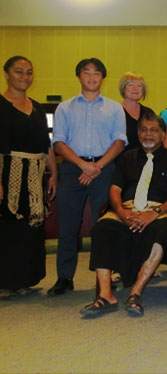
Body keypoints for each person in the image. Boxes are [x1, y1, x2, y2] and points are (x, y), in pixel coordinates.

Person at [80, 113, 167, 317]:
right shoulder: (127, 158)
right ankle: (105, 295)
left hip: (160, 211)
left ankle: (136, 293)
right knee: (102, 228)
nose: (148, 134)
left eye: (154, 130)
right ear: (138, 133)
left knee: (159, 232)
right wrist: (120, 211)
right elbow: (115, 189)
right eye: (144, 129)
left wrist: (154, 213)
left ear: (163, 134)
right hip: (126, 209)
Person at [49, 57, 127, 296]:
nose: (92, 77)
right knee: (68, 226)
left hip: (104, 170)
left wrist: (97, 167)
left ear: (103, 78)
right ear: (79, 76)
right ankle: (64, 277)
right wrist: (83, 165)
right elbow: (58, 142)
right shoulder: (65, 107)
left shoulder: (114, 108)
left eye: (97, 73)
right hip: (73, 169)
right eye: (87, 72)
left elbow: (120, 141)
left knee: (104, 226)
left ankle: (105, 277)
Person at [0, 56, 58, 299]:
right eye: (19, 71)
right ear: (7, 74)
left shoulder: (36, 107)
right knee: (7, 228)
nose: (24, 76)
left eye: (29, 72)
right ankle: (4, 282)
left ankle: (24, 279)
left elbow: (46, 145)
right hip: (7, 172)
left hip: (35, 174)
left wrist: (53, 173)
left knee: (31, 226)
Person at [119, 72, 154, 151]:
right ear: (123, 88)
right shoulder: (116, 111)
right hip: (121, 159)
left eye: (139, 85)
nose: (135, 89)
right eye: (130, 85)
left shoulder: (149, 112)